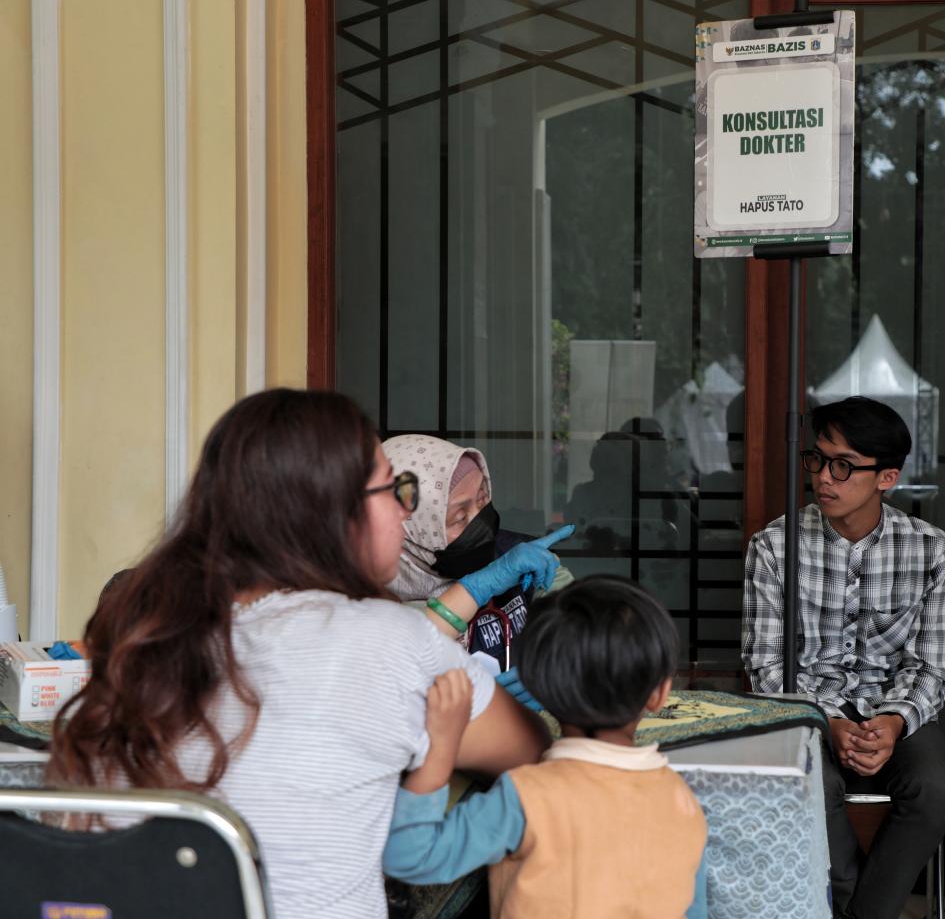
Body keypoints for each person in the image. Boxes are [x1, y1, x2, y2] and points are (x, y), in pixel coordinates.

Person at [45, 389, 556, 919]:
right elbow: (532, 751)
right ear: (336, 515)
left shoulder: (147, 626)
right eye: (391, 490)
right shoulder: (388, 641)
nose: (405, 515)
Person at [741, 396, 945, 919]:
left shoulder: (934, 550)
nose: (824, 478)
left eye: (843, 466)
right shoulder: (774, 546)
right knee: (808, 780)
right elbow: (765, 665)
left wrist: (891, 722)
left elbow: (936, 666)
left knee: (936, 788)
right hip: (803, 708)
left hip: (895, 708)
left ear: (887, 477)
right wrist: (828, 720)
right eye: (817, 459)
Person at [383, 576, 709, 919]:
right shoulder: (684, 804)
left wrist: (440, 747)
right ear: (660, 694)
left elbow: (409, 857)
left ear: (537, 688)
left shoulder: (525, 796)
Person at [381, 434, 572, 671]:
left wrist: (554, 674)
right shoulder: (375, 606)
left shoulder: (519, 557)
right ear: (411, 534)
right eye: (460, 517)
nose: (480, 523)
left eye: (482, 499)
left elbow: (582, 633)